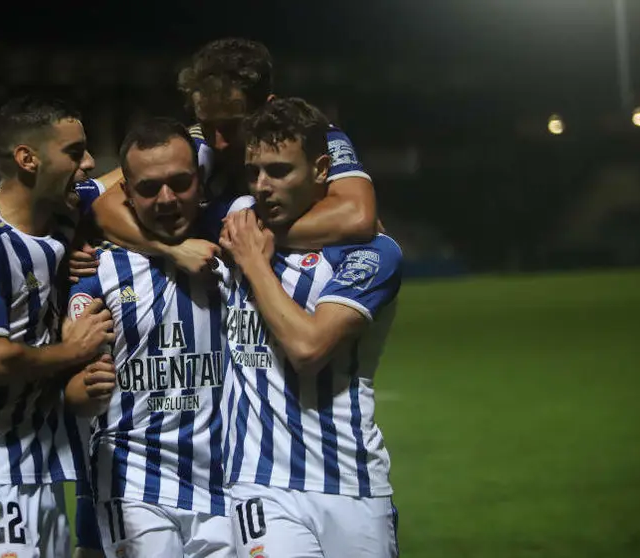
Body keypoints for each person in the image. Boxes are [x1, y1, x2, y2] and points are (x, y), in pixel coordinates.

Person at [0, 95, 115, 558]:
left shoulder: (57, 223)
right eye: (74, 152)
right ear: (27, 159)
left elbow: (127, 177)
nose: (88, 163)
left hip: (41, 464)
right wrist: (73, 352)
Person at [218, 98, 402, 558]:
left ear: (322, 169)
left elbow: (307, 347)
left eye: (279, 171)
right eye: (253, 172)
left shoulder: (372, 255)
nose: (262, 186)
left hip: (351, 481)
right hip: (259, 483)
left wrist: (255, 265)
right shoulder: (240, 220)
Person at [71, 38, 379, 281]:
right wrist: (171, 249)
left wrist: (243, 237)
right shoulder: (196, 145)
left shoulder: (313, 137)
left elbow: (357, 216)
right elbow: (102, 203)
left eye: (233, 125)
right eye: (207, 124)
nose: (217, 141)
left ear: (267, 107)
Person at [66, 118, 232, 557]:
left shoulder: (239, 256)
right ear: (125, 193)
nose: (166, 199)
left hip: (228, 484)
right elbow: (74, 395)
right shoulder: (94, 275)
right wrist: (82, 389)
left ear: (201, 183)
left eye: (180, 183)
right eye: (148, 188)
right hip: (134, 484)